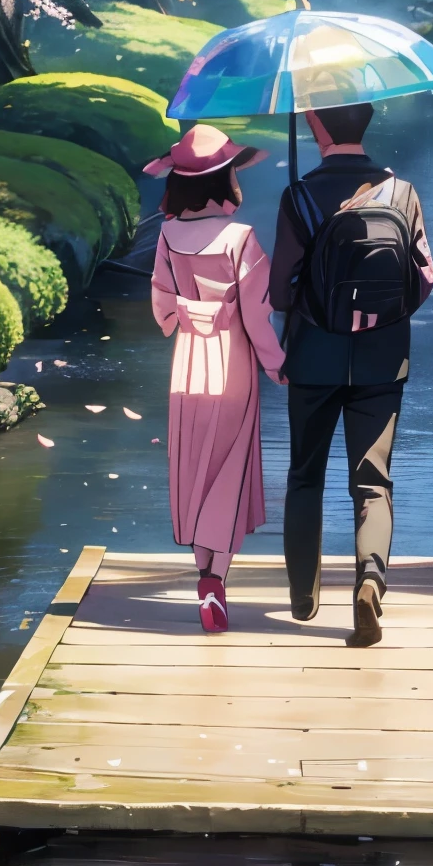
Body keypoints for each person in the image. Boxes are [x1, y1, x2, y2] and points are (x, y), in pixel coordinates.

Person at [269, 101, 433, 647]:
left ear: (317, 128)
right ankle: (369, 581)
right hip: (384, 358)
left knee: (304, 476)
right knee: (373, 480)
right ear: (365, 127)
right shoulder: (402, 193)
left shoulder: (299, 195)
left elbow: (277, 291)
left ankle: (303, 598)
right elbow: (425, 278)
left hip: (314, 356)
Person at [146, 123, 286, 634]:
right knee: (228, 469)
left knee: (194, 466)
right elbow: (256, 313)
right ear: (225, 180)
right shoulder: (240, 238)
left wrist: (186, 313)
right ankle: (216, 582)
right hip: (232, 365)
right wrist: (276, 362)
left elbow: (162, 301)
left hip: (188, 361)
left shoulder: (165, 235)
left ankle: (202, 573)